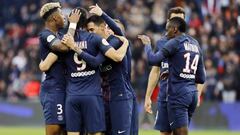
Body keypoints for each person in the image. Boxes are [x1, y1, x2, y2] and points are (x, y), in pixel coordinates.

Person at [60, 8, 130, 135]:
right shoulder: (95, 39)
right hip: (92, 95)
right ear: (86, 22)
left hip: (72, 95)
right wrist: (126, 43)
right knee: (96, 133)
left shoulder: (63, 41)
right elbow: (115, 57)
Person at [139, 17, 206, 135]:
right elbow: (201, 78)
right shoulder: (195, 44)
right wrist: (182, 74)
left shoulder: (174, 42)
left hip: (178, 94)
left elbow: (152, 60)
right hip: (192, 95)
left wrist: (147, 45)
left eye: (168, 29)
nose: (166, 32)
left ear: (175, 29)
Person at [87, 4, 138, 135]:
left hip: (121, 94)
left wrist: (102, 14)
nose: (110, 31)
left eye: (111, 29)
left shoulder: (118, 42)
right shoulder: (101, 47)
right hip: (105, 96)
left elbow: (96, 61)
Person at [141, 7, 185, 135]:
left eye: (180, 20)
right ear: (168, 22)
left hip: (181, 97)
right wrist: (148, 97)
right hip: (164, 96)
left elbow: (199, 70)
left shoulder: (190, 43)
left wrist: (197, 94)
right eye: (174, 20)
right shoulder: (161, 42)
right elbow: (155, 70)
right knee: (164, 133)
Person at [38, 2, 80, 135]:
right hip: (54, 90)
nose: (65, 17)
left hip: (65, 89)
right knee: (55, 130)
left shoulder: (59, 36)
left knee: (65, 131)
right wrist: (73, 24)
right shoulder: (45, 35)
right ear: (54, 18)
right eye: (61, 14)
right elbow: (63, 47)